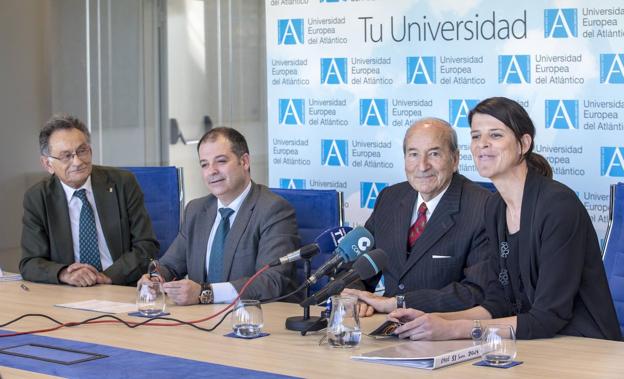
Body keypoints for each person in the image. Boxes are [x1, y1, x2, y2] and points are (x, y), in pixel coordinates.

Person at [389, 97, 622, 341]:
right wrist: (429, 319)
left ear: (523, 143)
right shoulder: (495, 207)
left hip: (582, 345)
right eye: (476, 136)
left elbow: (547, 317)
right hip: (531, 343)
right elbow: (497, 304)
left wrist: (453, 330)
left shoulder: (558, 205)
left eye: (496, 135)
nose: (482, 145)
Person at [344, 118, 492, 316]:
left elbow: (476, 291)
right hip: (385, 328)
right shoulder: (390, 198)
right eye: (413, 154)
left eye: (434, 154)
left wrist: (400, 303)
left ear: (455, 159)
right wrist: (358, 295)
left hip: (444, 331)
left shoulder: (483, 207)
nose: (422, 166)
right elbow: (357, 267)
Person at [141, 127, 300, 305]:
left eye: (221, 161)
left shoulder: (273, 210)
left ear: (245, 161)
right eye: (204, 164)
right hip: (198, 319)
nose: (212, 171)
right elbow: (170, 265)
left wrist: (205, 293)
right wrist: (155, 277)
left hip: (252, 320)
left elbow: (272, 280)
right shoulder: (196, 210)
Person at [20, 114, 159, 286]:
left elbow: (146, 246)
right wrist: (64, 273)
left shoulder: (122, 183)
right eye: (66, 156)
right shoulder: (38, 198)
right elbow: (30, 263)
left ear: (90, 151)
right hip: (68, 292)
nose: (77, 161)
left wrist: (108, 276)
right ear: (48, 164)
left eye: (82, 151)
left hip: (119, 285)